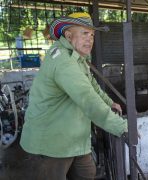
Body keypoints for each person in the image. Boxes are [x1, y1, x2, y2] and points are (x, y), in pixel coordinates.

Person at [19, 12, 128, 180]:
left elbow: (91, 85)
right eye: (84, 33)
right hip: (52, 141)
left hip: (74, 137)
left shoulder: (77, 58)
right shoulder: (63, 60)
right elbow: (87, 98)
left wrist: (109, 103)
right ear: (69, 36)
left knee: (87, 174)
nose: (90, 39)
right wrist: (122, 127)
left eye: (92, 34)